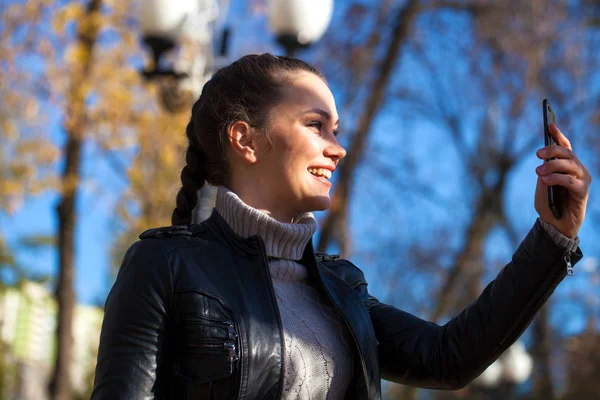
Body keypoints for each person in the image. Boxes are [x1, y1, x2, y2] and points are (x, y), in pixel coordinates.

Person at [91, 54, 591, 400]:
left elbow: (449, 358)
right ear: (245, 139)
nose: (338, 147)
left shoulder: (341, 288)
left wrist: (553, 237)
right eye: (315, 125)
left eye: (337, 130)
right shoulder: (166, 266)